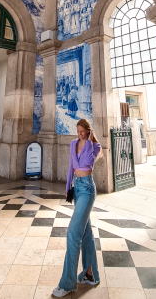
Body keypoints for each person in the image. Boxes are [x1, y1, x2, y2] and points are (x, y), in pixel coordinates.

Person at [53, 119, 102, 297]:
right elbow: (71, 167)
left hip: (88, 189)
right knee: (86, 233)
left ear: (88, 131)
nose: (79, 134)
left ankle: (67, 284)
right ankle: (91, 274)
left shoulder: (94, 146)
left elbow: (88, 162)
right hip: (78, 188)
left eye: (83, 131)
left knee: (73, 234)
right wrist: (68, 188)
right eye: (78, 131)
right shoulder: (73, 143)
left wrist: (89, 140)